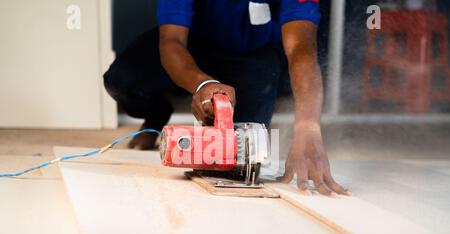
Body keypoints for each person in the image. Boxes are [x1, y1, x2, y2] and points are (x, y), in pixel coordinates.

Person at [103, 0, 350, 196]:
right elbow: (172, 41)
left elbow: (301, 48)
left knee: (238, 158)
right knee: (122, 80)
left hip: (255, 56)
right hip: (194, 45)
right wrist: (203, 83)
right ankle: (157, 115)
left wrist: (308, 124)